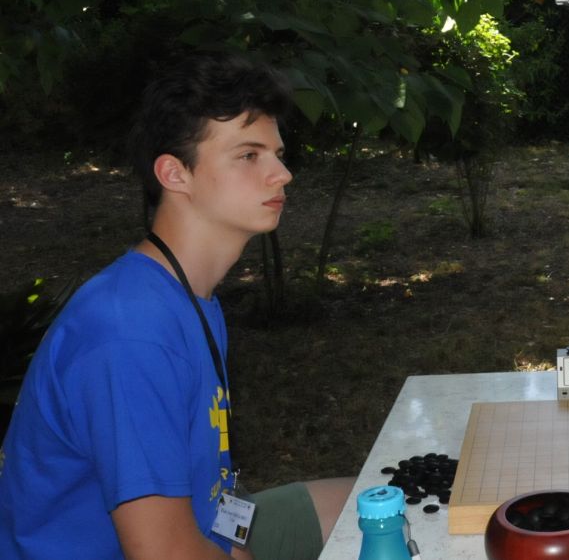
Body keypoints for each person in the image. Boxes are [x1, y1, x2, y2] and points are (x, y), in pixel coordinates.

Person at [0, 51, 352, 560]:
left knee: (382, 505)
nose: (282, 174)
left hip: (205, 529)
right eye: (249, 155)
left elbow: (213, 511)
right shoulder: (129, 331)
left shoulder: (186, 296)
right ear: (174, 173)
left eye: (277, 153)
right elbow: (165, 554)